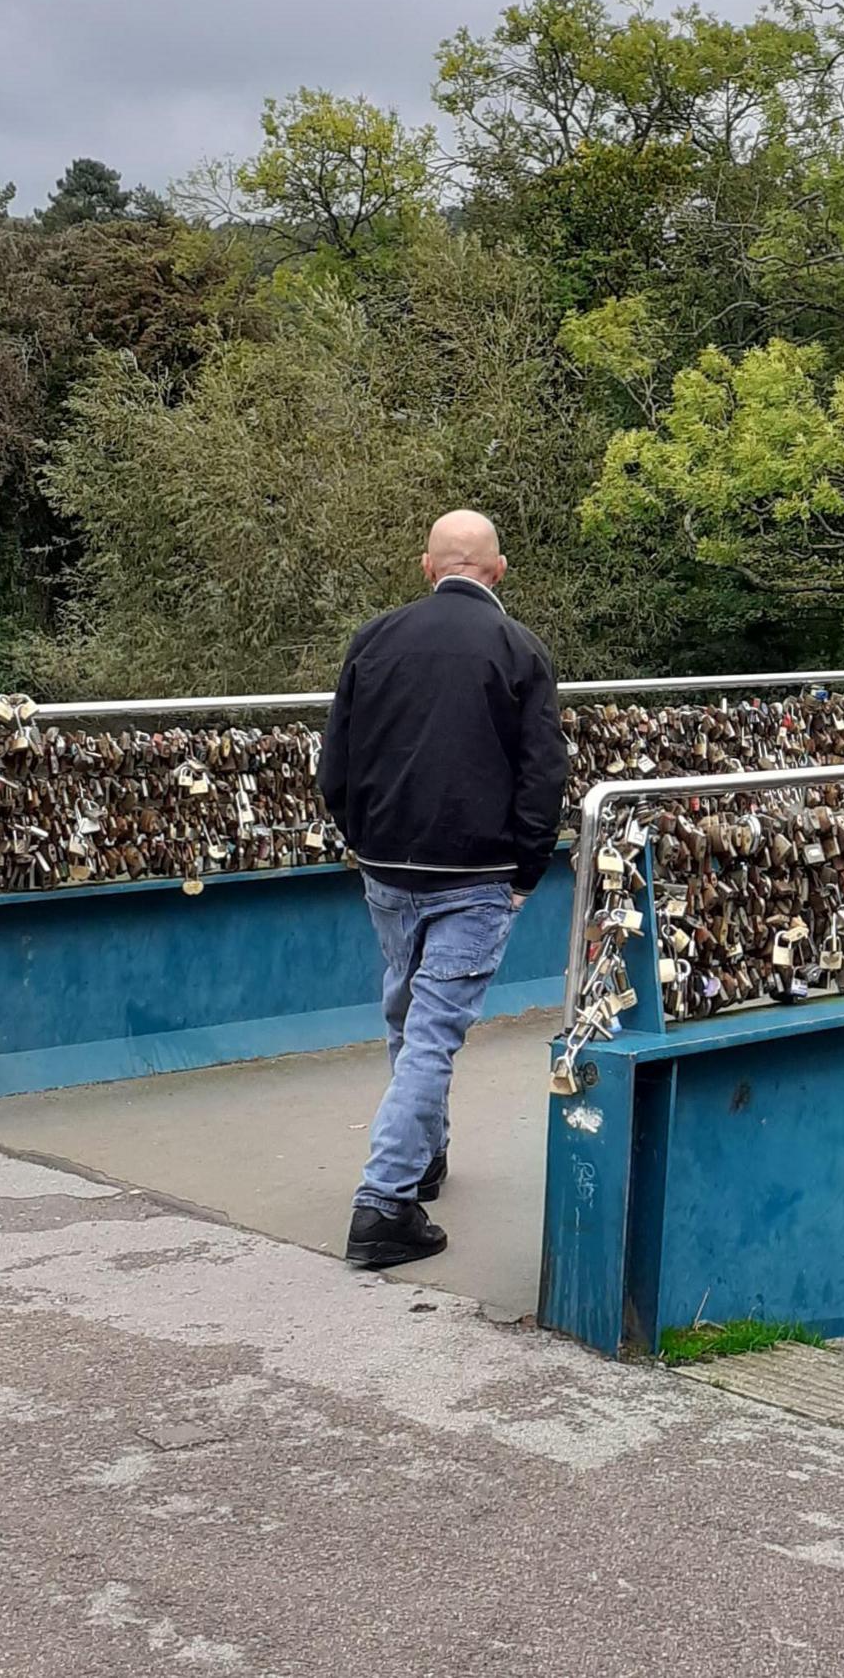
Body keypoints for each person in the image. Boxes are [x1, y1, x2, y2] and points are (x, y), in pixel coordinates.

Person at [318, 510, 567, 1268]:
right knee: (431, 1034)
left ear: (429, 568)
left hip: (388, 868)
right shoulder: (520, 650)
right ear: (497, 570)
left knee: (405, 1013)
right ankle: (384, 1204)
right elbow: (542, 776)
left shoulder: (375, 638)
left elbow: (336, 760)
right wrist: (526, 870)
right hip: (475, 875)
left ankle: (423, 1159)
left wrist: (361, 836)